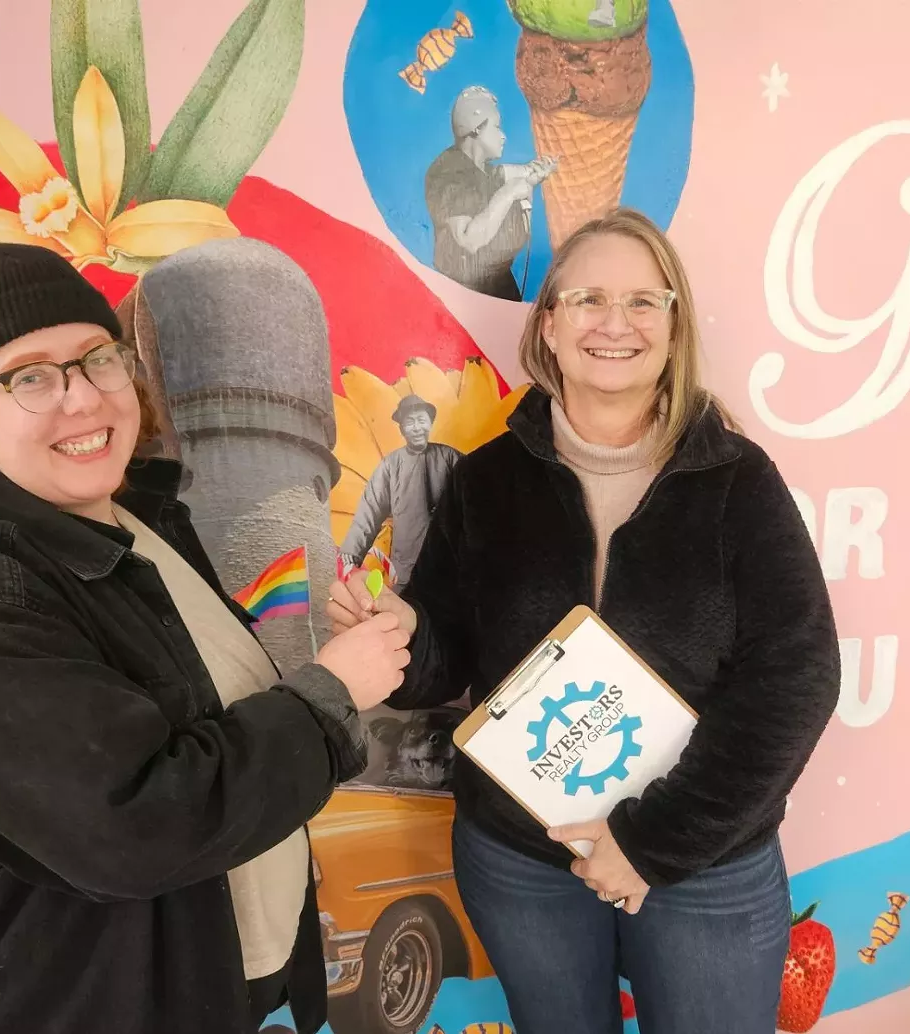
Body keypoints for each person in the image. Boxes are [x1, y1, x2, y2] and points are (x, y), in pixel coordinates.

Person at [0, 243, 412, 1034]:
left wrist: (355, 639)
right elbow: (136, 825)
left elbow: (206, 705)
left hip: (195, 984)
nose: (81, 399)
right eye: (30, 376)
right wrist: (332, 694)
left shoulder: (136, 524)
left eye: (96, 359)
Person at [326, 208, 840, 1034]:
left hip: (702, 859)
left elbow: (797, 678)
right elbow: (450, 652)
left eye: (644, 301)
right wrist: (401, 631)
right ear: (551, 326)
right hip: (523, 857)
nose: (616, 323)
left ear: (674, 328)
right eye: (590, 299)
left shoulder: (738, 483)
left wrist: (653, 842)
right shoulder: (488, 481)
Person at [424, 85, 557, 300]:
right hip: (465, 297)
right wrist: (508, 193)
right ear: (475, 129)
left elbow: (507, 174)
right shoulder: (448, 173)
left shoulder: (480, 169)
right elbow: (469, 239)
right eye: (496, 127)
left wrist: (531, 174)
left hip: (498, 286)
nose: (502, 136)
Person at [339, 394, 461, 593]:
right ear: (401, 428)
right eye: (410, 422)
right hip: (405, 565)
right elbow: (371, 508)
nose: (417, 428)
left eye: (422, 420)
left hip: (448, 561)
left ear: (430, 423)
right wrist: (352, 550)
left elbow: (475, 499)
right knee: (404, 614)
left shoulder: (450, 457)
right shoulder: (391, 465)